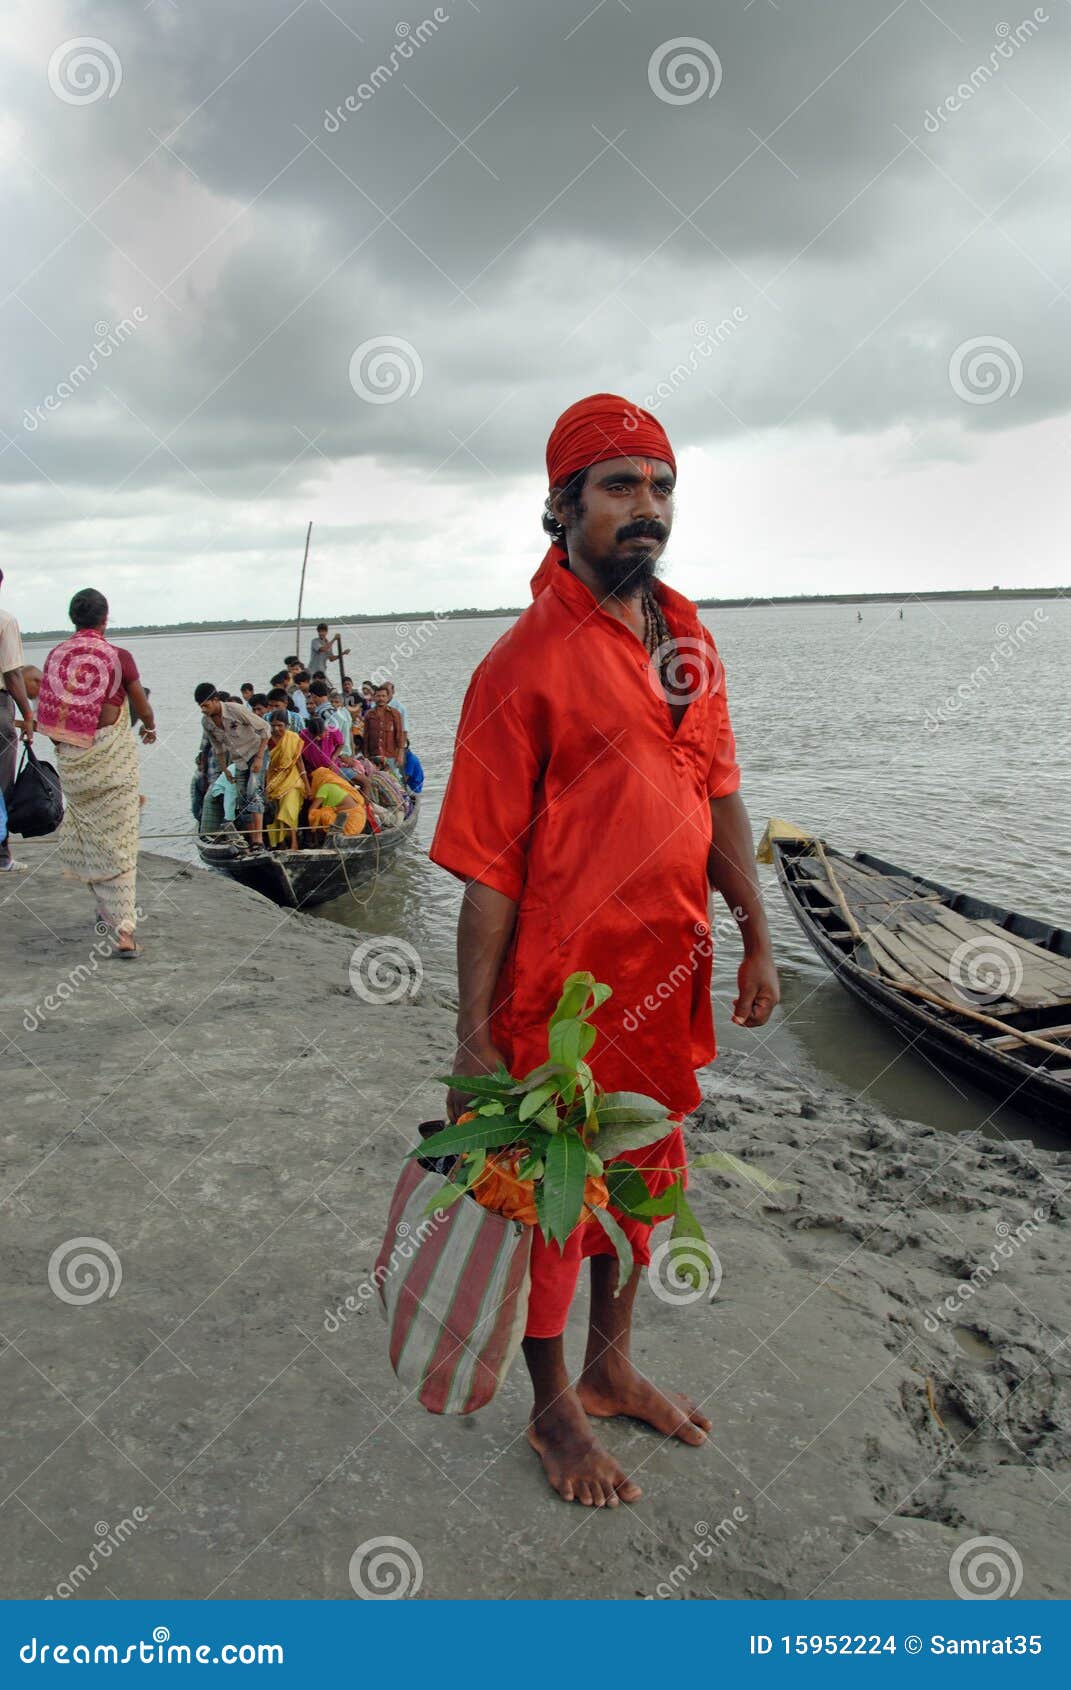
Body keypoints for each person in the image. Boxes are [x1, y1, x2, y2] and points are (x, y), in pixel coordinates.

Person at [430, 393, 780, 1509]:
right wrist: (475, 1040)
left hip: (666, 982)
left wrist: (757, 933)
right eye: (620, 486)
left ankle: (610, 1362)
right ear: (563, 504)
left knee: (645, 1183)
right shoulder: (520, 666)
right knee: (553, 1203)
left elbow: (718, 791)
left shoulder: (688, 635)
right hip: (563, 1005)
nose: (647, 509)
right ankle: (552, 1413)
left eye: (662, 486)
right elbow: (490, 874)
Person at [38, 588, 156, 952]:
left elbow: (49, 713)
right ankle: (124, 930)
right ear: (106, 618)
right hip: (112, 758)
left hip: (75, 760)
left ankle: (107, 911)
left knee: (91, 833)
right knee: (121, 841)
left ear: (73, 618)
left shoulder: (57, 655)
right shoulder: (118, 656)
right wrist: (150, 726)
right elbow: (141, 704)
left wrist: (66, 748)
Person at [194, 683, 270, 847]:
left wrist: (259, 757)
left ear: (215, 700)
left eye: (206, 705)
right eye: (201, 707)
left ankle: (258, 841)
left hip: (255, 752)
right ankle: (251, 841)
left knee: (253, 793)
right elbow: (218, 749)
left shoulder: (235, 709)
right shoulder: (206, 722)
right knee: (242, 800)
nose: (204, 710)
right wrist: (225, 770)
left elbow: (265, 729)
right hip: (238, 761)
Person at [0, 567, 35, 873]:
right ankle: (2, 856)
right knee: (2, 781)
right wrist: (27, 712)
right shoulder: (5, 620)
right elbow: (12, 674)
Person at [264, 711, 309, 850]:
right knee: (276, 814)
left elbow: (299, 762)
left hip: (293, 780)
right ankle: (281, 844)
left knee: (288, 809)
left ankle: (294, 843)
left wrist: (307, 785)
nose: (276, 729)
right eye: (273, 726)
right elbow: (265, 765)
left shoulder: (293, 738)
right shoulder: (266, 740)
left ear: (287, 725)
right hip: (274, 781)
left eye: (280, 725)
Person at [306, 765, 367, 839]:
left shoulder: (324, 787)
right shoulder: (337, 785)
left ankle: (314, 838)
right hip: (360, 820)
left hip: (350, 823)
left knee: (318, 814)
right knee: (325, 811)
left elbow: (312, 810)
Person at [362, 684, 406, 770]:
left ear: (387, 698)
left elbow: (400, 736)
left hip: (391, 756)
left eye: (383, 696)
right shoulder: (369, 714)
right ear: (374, 698)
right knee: (376, 780)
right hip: (373, 756)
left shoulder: (395, 714)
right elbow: (366, 736)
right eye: (378, 696)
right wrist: (366, 756)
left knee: (393, 781)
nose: (381, 698)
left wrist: (400, 755)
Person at [299, 711, 343, 776]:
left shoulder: (332, 731)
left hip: (331, 768)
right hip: (312, 770)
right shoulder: (304, 734)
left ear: (325, 730)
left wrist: (333, 757)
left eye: (320, 735)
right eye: (314, 735)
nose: (317, 738)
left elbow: (341, 744)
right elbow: (300, 752)